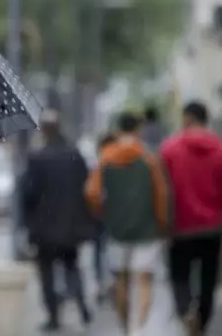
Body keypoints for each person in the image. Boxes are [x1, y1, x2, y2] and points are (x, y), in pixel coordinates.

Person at [85, 112, 168, 336]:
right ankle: (139, 327)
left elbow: (92, 193)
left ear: (119, 129)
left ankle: (125, 327)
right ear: (139, 130)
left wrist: (104, 212)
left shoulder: (106, 157)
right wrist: (162, 222)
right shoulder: (149, 158)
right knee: (144, 280)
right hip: (146, 228)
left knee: (120, 278)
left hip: (116, 228)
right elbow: (161, 194)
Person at [22, 109, 95, 332]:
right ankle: (83, 307)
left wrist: (28, 223)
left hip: (44, 229)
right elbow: (87, 188)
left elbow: (29, 194)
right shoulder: (75, 155)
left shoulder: (37, 158)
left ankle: (53, 316)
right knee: (72, 267)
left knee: (47, 274)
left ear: (44, 131)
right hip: (71, 226)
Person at [161, 101, 222, 336]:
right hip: (213, 227)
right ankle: (203, 321)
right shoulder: (218, 148)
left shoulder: (169, 149)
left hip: (180, 226)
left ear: (187, 118)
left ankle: (186, 312)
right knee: (208, 278)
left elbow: (163, 190)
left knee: (180, 276)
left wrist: (163, 225)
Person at [93, 132, 117, 304]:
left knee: (100, 249)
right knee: (112, 249)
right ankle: (113, 281)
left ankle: (103, 283)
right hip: (118, 215)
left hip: (100, 214)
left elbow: (91, 192)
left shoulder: (100, 163)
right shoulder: (121, 162)